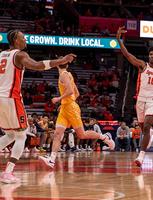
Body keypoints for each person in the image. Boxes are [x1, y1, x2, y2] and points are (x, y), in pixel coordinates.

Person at [0, 30, 75, 183]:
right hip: (11, 98)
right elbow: (36, 65)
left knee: (10, 135)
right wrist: (59, 61)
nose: (25, 39)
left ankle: (8, 172)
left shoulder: (1, 54)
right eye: (23, 37)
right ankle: (8, 172)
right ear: (16, 41)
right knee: (21, 135)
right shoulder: (19, 55)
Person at [38, 59, 115, 168]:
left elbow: (70, 91)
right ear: (68, 65)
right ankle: (51, 160)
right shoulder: (69, 75)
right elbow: (77, 93)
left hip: (71, 109)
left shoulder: (63, 75)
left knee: (82, 134)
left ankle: (105, 137)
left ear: (56, 66)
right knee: (57, 134)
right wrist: (64, 102)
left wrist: (58, 99)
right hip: (66, 107)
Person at [117, 26, 153, 167]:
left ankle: (141, 156)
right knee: (144, 129)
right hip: (140, 100)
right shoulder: (143, 66)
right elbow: (128, 56)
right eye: (151, 54)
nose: (152, 56)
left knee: (147, 125)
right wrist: (118, 40)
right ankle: (150, 134)